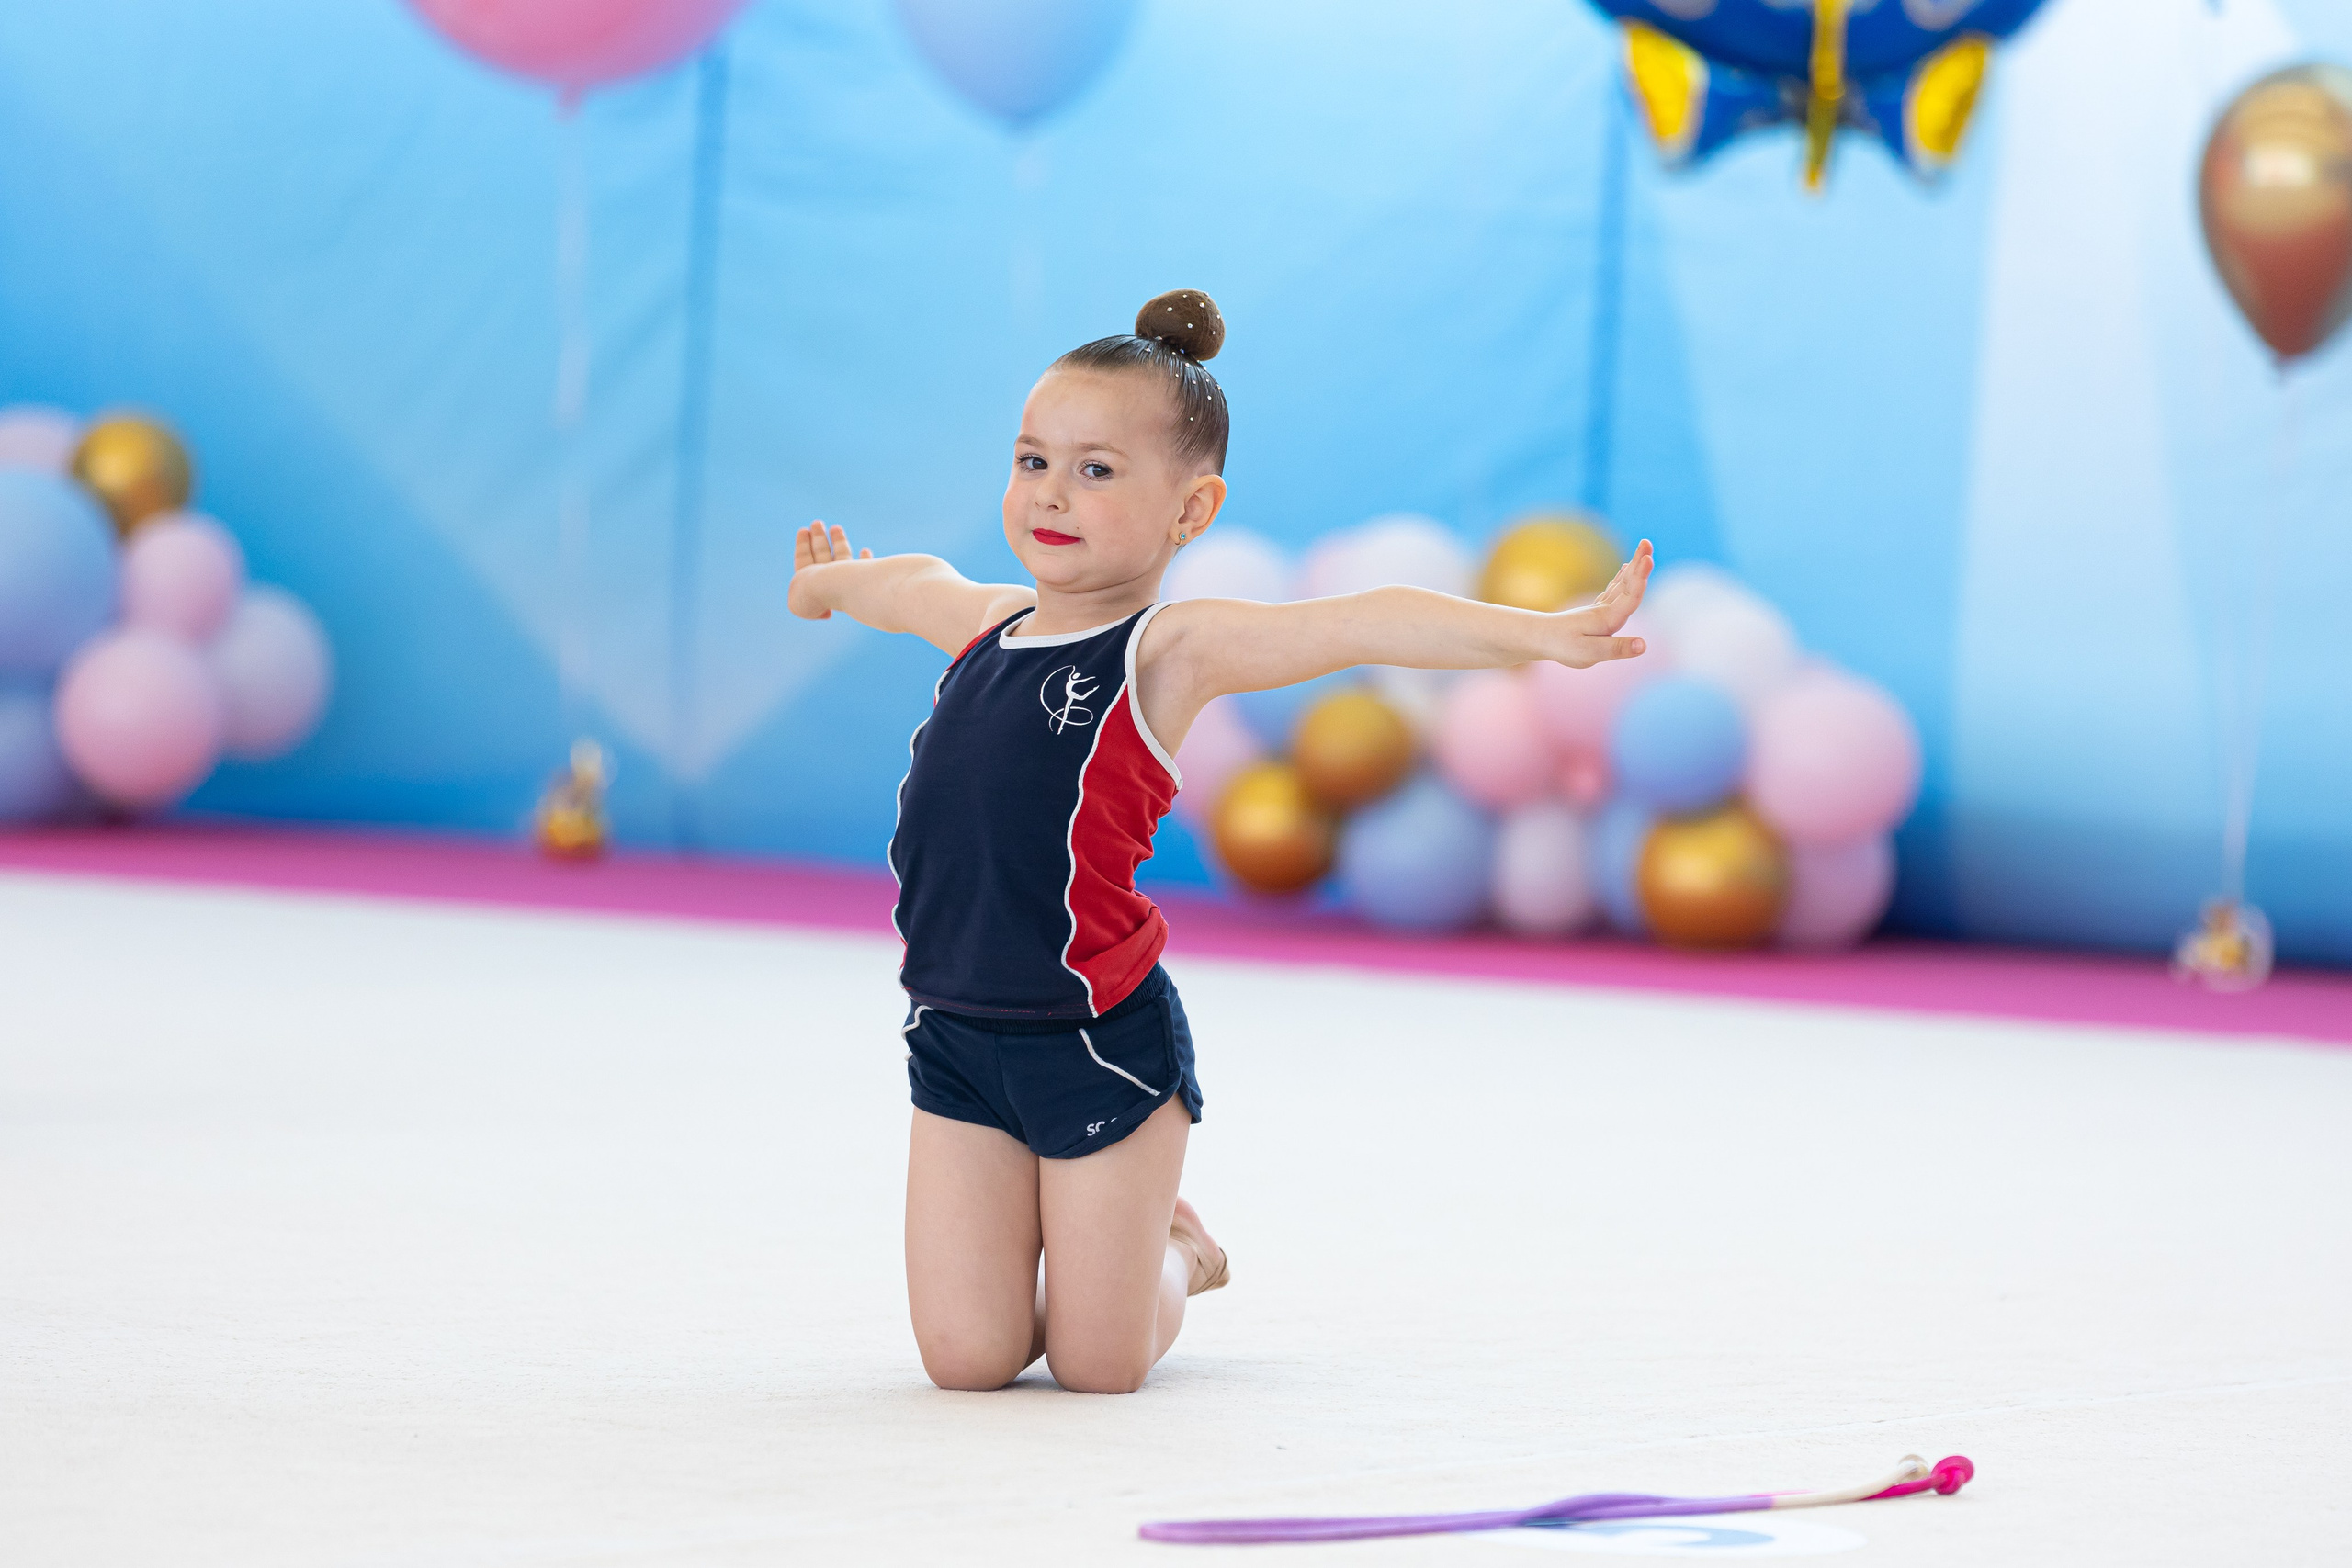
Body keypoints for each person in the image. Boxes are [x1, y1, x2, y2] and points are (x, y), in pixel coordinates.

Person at [787, 288, 1653, 1394]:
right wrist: (823, 585)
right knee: (969, 1361)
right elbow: (902, 583)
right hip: (954, 1029)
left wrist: (1542, 635)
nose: (1052, 493)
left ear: (1190, 512)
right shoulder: (984, 623)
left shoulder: (1168, 649)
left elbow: (1361, 619)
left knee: (1099, 1365)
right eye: (1032, 460)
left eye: (1097, 471)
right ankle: (1094, 1238)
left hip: (1094, 1035)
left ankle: (1177, 1251)